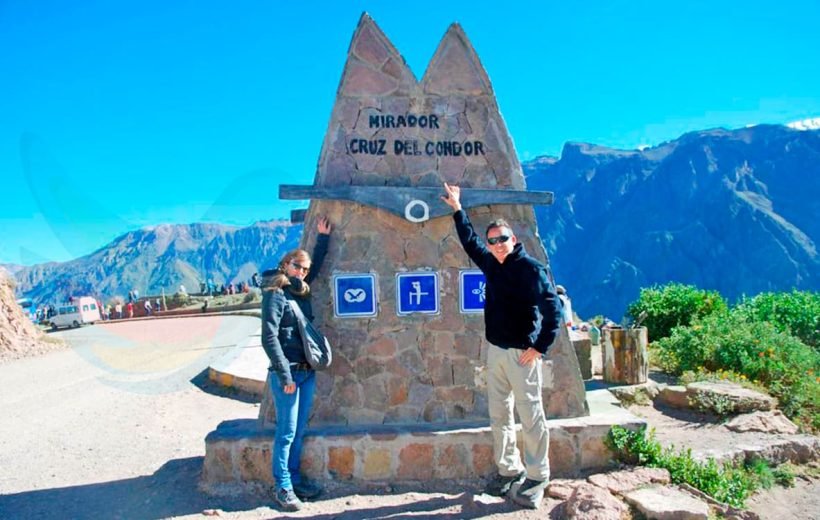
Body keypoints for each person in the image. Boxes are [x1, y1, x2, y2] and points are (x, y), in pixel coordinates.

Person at [442, 183, 561, 510]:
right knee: (500, 413)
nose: (495, 244)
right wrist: (457, 208)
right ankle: (509, 469)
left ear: (514, 240)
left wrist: (539, 348)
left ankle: (538, 475)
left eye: (501, 239)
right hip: (495, 351)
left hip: (522, 354)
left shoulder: (530, 269)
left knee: (531, 416)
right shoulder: (492, 264)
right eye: (492, 240)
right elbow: (469, 242)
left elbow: (554, 310)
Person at [261, 216, 332, 512]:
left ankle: (295, 480)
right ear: (285, 265)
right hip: (288, 374)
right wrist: (284, 373)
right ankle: (283, 487)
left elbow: (316, 267)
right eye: (296, 266)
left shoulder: (300, 291)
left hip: (307, 373)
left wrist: (323, 238)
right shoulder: (275, 294)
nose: (302, 272)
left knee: (299, 430)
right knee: (286, 433)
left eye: (304, 269)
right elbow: (269, 337)